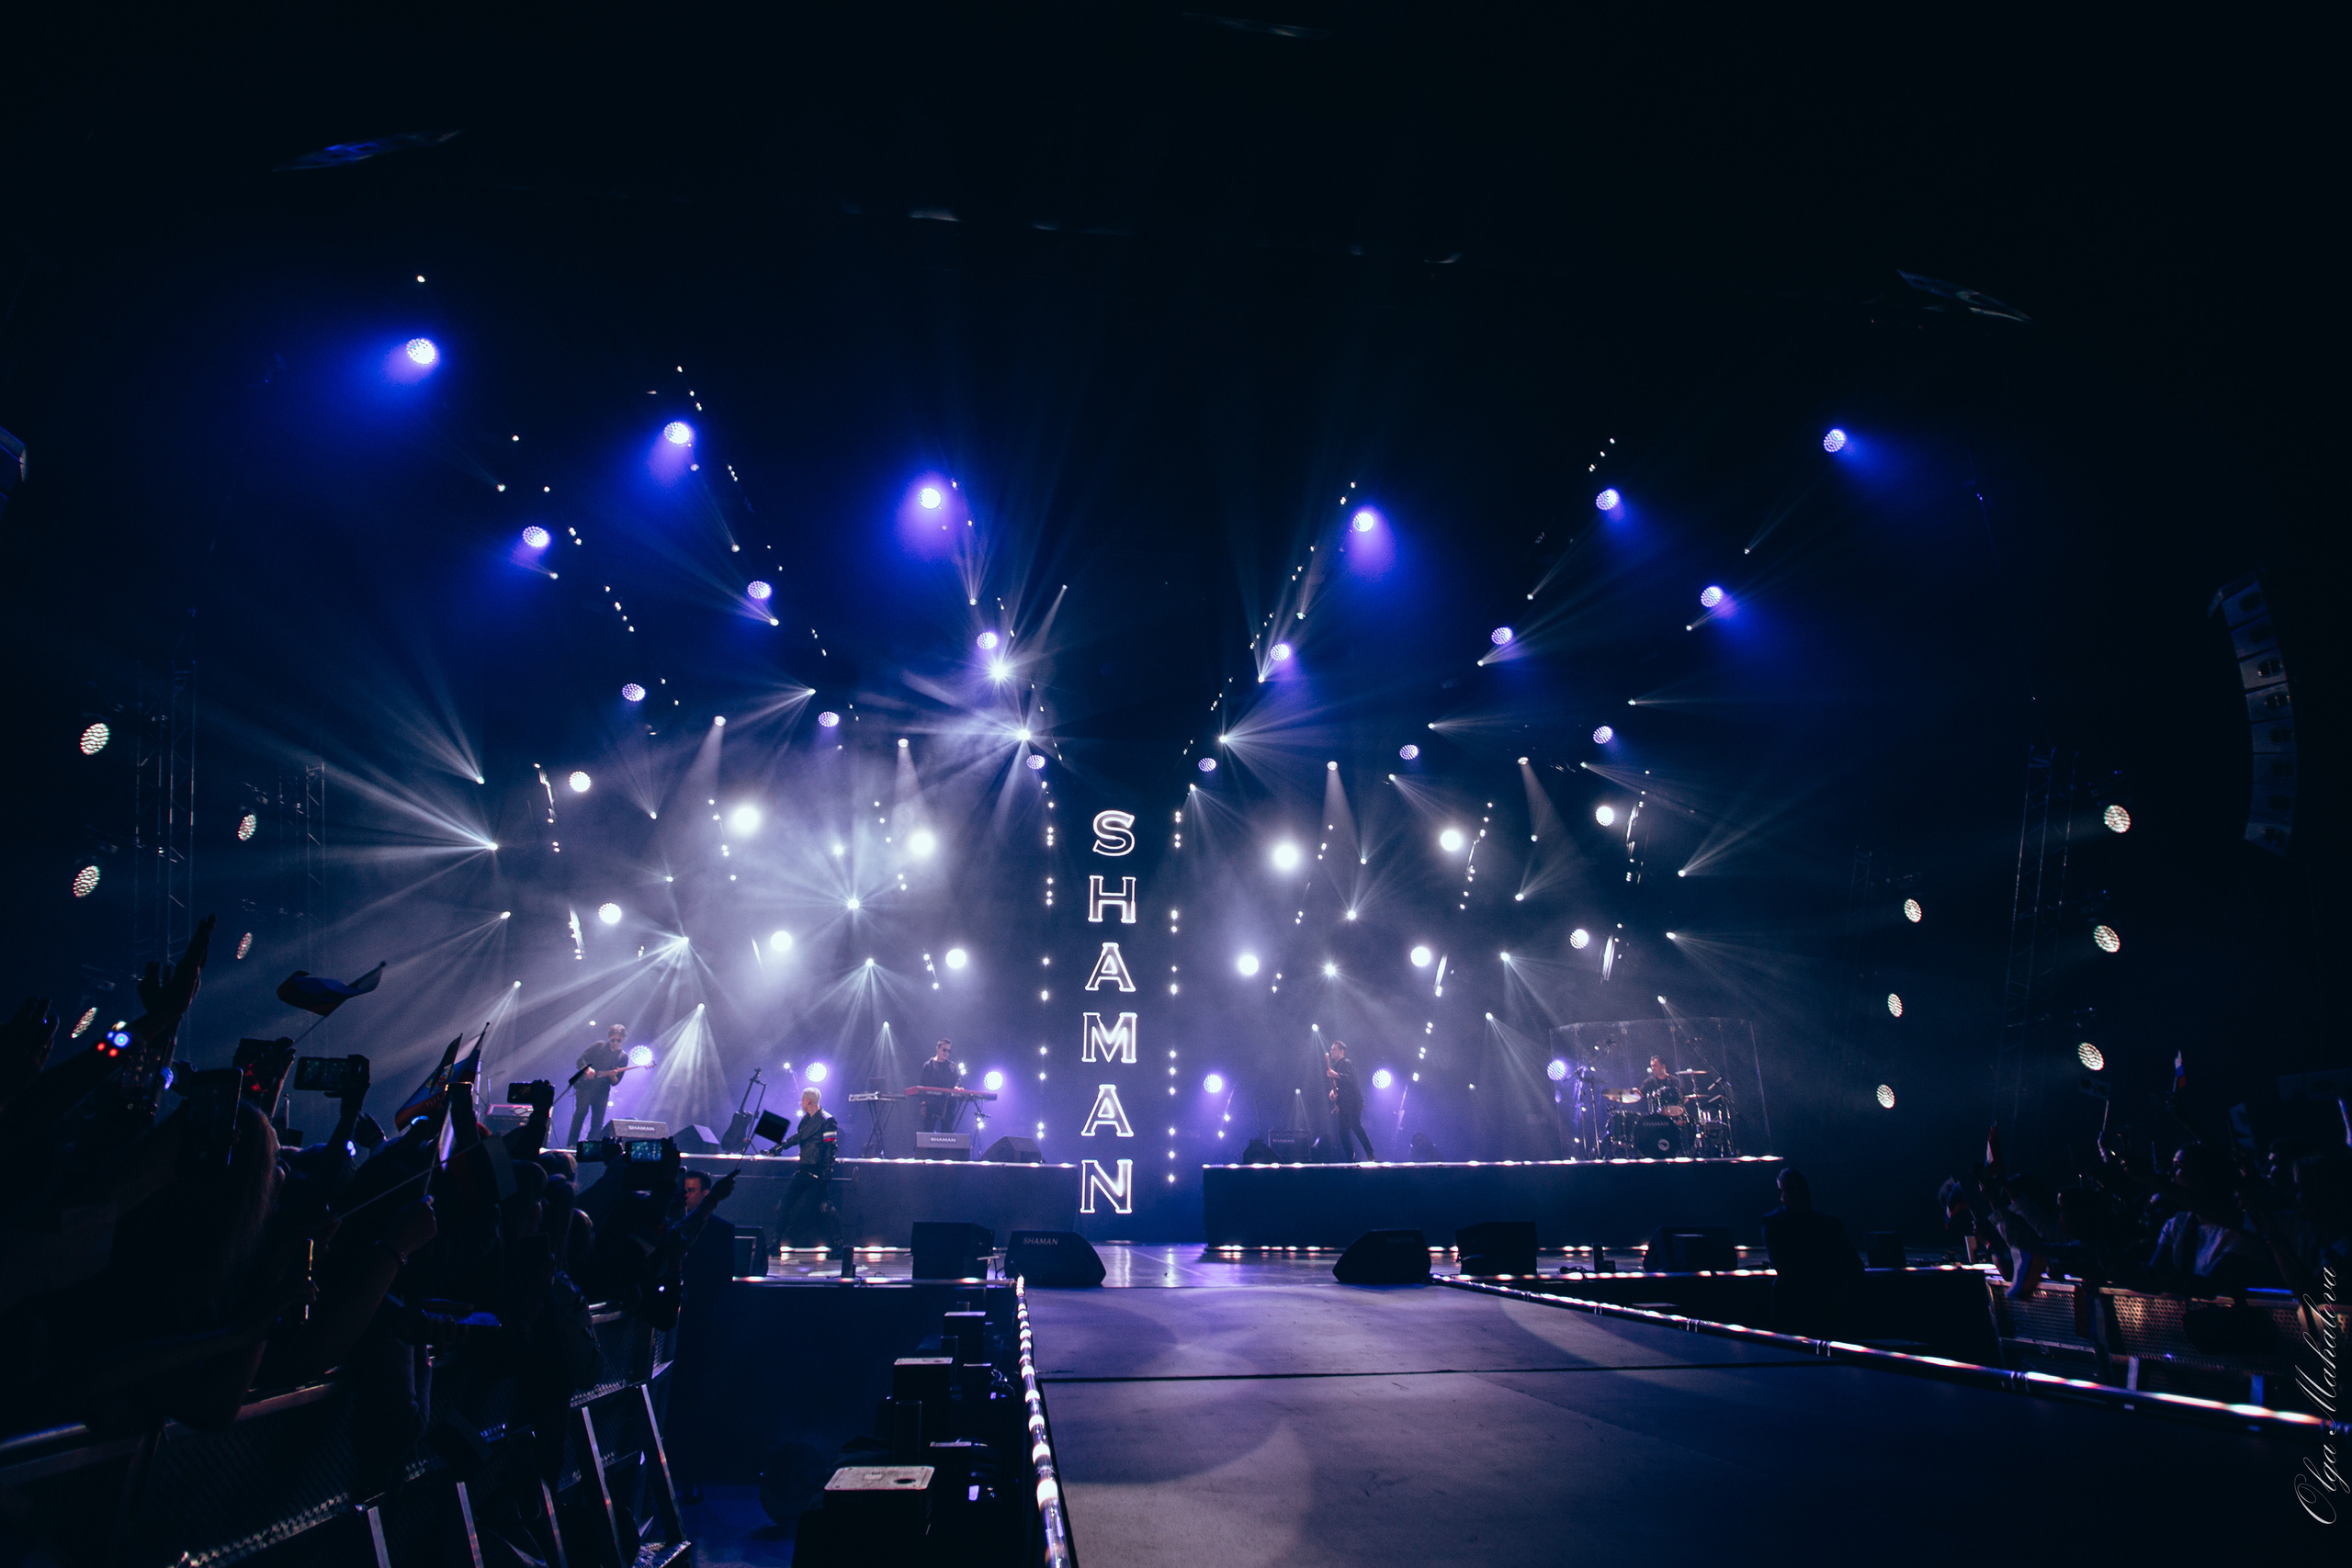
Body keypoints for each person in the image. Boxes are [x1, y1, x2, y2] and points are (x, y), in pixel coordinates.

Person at [1761, 1168, 1862, 1336]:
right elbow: (1854, 1266)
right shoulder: (1830, 1223)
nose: (1799, 1193)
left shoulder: (1774, 1222)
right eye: (1794, 1188)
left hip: (1795, 1304)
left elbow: (1786, 1268)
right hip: (1823, 1304)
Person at [776, 1088, 843, 1257]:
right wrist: (780, 1147)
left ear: (808, 1101)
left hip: (817, 1171)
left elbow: (830, 1148)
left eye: (802, 1100)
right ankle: (775, 1243)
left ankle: (838, 1245)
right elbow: (799, 1137)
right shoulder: (806, 1121)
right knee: (784, 1204)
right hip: (804, 1169)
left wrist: (826, 1172)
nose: (800, 1103)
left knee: (825, 1207)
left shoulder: (827, 1121)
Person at [569, 1023, 629, 1149]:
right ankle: (571, 1145)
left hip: (602, 1091)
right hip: (585, 1086)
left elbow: (616, 1082)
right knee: (581, 1113)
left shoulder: (623, 1057)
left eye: (618, 1040)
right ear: (609, 1038)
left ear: (623, 1040)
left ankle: (589, 1147)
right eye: (613, 1040)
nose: (615, 1043)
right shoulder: (599, 1046)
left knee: (597, 1122)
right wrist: (588, 1070)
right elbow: (580, 1060)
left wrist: (612, 1075)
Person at [1326, 1040, 1374, 1161]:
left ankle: (1370, 1153)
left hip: (1353, 1101)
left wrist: (1334, 1074)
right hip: (1343, 1103)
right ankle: (1350, 1159)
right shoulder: (1336, 1066)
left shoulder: (1346, 1063)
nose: (1332, 1052)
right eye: (1331, 1050)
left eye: (1334, 1050)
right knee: (1343, 1133)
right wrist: (1334, 1092)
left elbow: (1349, 1078)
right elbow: (1339, 1085)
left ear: (1342, 1052)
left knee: (1355, 1125)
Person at [916, 1038, 962, 1133]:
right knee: (928, 1131)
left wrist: (956, 1087)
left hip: (948, 1104)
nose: (946, 1053)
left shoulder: (951, 1066)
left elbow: (958, 1080)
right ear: (937, 1048)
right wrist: (923, 1104)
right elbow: (922, 1085)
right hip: (932, 1104)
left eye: (949, 1051)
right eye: (944, 1050)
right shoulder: (929, 1065)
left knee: (947, 1132)